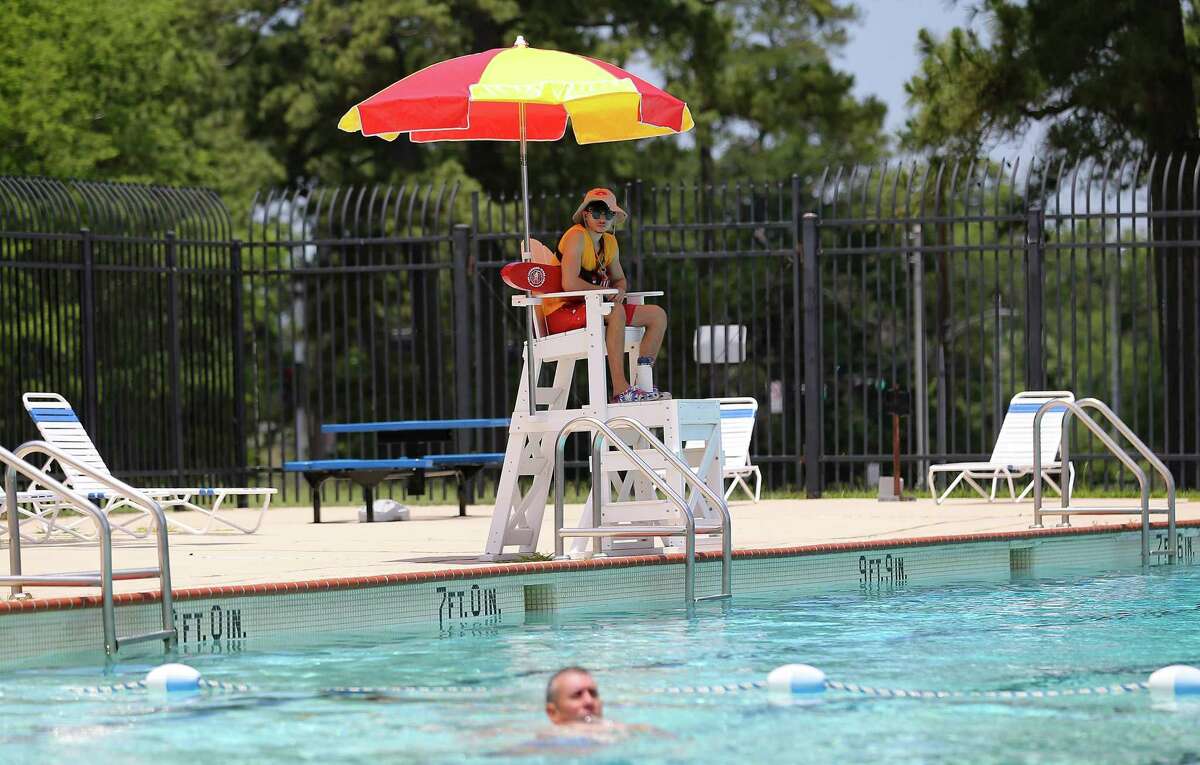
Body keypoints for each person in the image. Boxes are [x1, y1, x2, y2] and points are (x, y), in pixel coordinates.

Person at [548, 188, 669, 404]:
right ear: (585, 214)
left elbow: (619, 279)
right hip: (561, 312)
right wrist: (607, 293)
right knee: (616, 311)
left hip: (597, 309)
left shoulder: (610, 243)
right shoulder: (576, 236)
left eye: (609, 214)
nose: (602, 218)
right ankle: (620, 390)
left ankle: (642, 384)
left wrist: (620, 290)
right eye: (596, 212)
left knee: (657, 315)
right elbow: (569, 283)